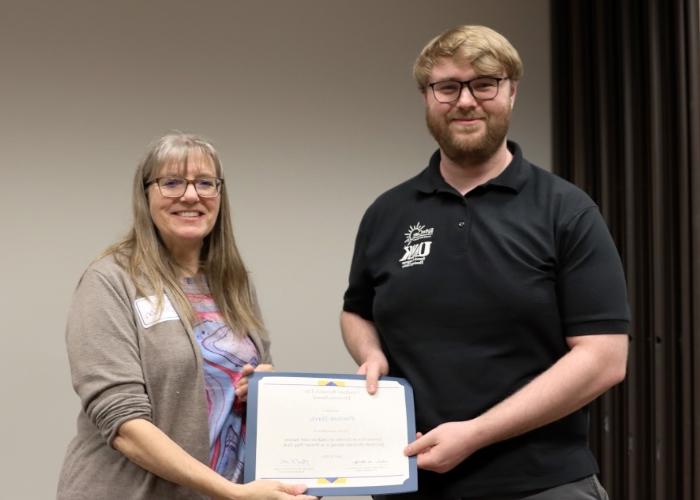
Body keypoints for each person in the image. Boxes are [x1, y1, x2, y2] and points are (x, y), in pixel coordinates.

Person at [341, 25, 629, 500]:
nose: (466, 101)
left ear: (512, 92)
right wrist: (371, 354)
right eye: (448, 87)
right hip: (411, 479)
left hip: (542, 484)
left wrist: (475, 433)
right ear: (427, 97)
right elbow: (357, 310)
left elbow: (603, 359)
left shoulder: (566, 210)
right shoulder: (387, 213)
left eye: (485, 83)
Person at [57, 132, 315, 500]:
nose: (191, 195)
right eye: (172, 182)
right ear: (146, 195)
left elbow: (241, 381)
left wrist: (261, 386)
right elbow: (124, 424)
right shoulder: (111, 281)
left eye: (205, 183)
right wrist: (230, 492)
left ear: (219, 196)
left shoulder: (233, 283)